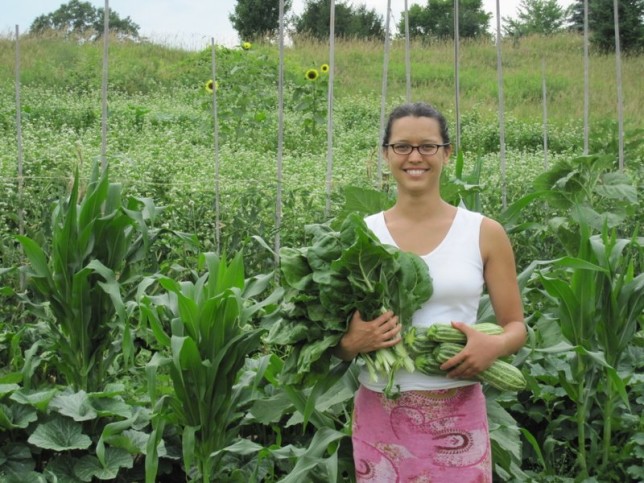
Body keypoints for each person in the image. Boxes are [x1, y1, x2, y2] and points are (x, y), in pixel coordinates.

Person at [333, 102, 527, 482]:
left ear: (447, 153)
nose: (415, 157)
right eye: (402, 146)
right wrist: (351, 343)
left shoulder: (484, 232)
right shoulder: (360, 237)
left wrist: (496, 346)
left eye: (428, 146)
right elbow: (332, 342)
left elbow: (516, 325)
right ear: (386, 153)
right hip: (380, 409)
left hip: (459, 408)